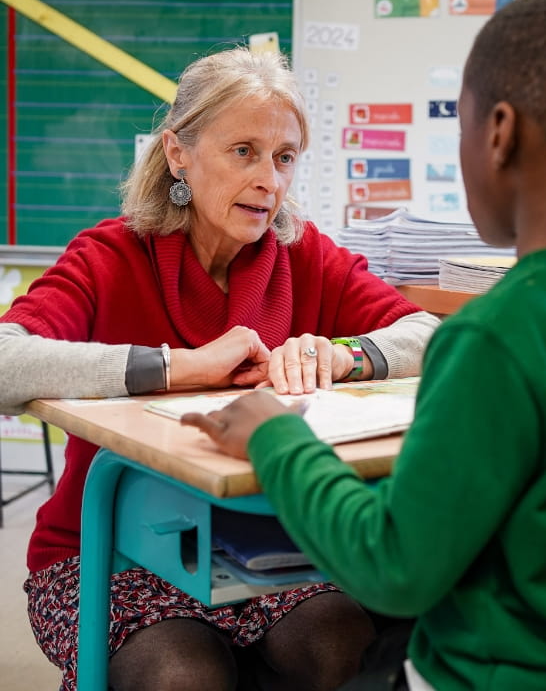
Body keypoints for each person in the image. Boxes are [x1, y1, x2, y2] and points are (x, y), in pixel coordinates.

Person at [182, 0, 546, 691]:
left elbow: (394, 566)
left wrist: (277, 439)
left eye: (460, 126)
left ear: (498, 133)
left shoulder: (494, 335)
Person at [0, 46, 439, 691]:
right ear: (179, 153)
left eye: (284, 157)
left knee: (341, 644)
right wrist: (179, 367)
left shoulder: (304, 253)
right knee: (183, 676)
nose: (270, 180)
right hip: (107, 555)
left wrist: (345, 355)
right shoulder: (109, 254)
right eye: (244, 152)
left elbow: (433, 337)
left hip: (270, 549)